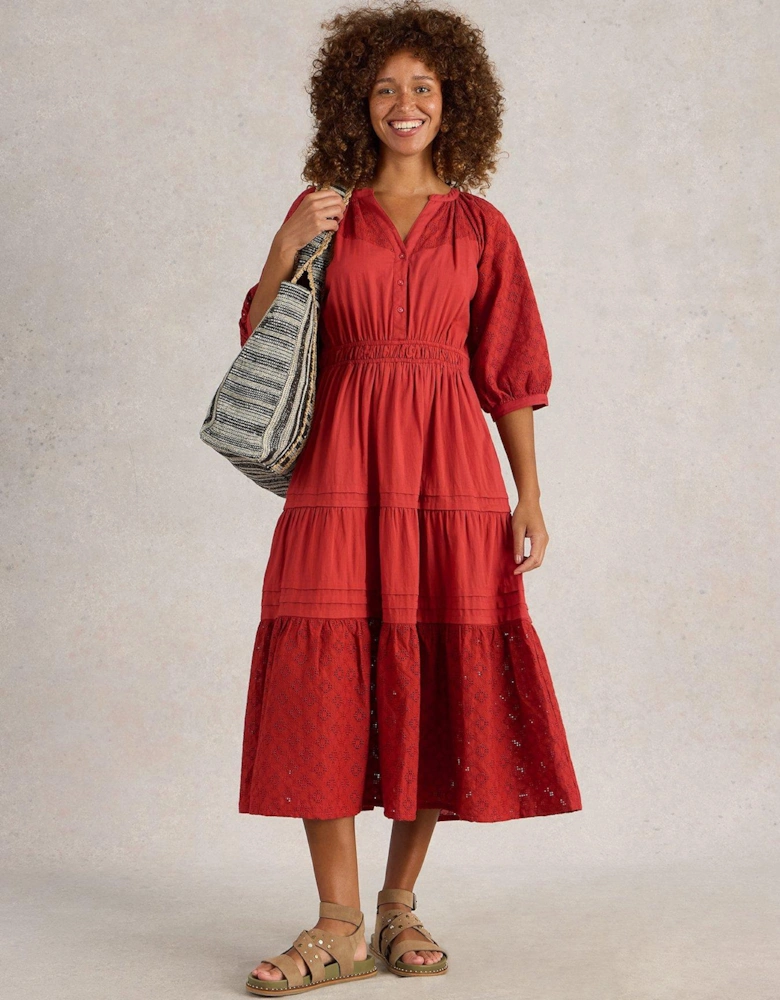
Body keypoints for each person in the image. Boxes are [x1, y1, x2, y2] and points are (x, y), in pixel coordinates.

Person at [236, 2, 582, 994]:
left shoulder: (480, 227)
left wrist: (530, 493)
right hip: (340, 473)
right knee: (325, 672)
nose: (404, 103)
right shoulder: (324, 210)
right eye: (385, 86)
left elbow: (509, 370)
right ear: (356, 99)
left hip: (450, 476)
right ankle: (337, 921)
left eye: (423, 87)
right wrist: (286, 243)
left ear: (452, 101)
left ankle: (398, 906)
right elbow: (261, 336)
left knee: (431, 667)